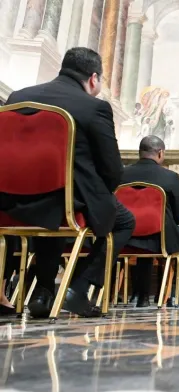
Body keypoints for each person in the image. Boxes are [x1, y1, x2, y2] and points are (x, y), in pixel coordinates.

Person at [0, 47, 135, 318]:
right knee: (123, 220)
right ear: (94, 78)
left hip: (9, 203)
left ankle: (44, 291)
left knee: (53, 207)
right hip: (64, 200)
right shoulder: (94, 107)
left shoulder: (18, 98)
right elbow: (112, 171)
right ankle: (77, 287)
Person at [121, 135, 179, 307]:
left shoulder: (122, 174)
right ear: (160, 153)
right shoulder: (170, 177)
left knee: (142, 245)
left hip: (125, 236)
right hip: (159, 235)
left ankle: (141, 296)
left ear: (140, 153)